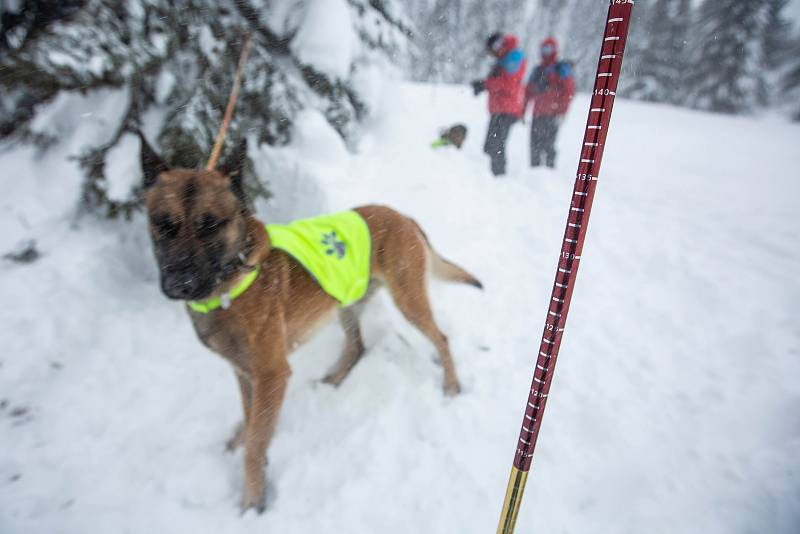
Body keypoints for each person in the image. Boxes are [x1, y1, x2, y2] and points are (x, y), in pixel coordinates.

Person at [471, 33, 526, 176]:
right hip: (501, 108)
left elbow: (509, 83)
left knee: (495, 146)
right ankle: (492, 177)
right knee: (491, 146)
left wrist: (485, 84)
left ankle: (498, 179)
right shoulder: (505, 58)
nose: (492, 55)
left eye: (492, 51)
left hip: (507, 109)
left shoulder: (513, 57)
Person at [524, 37, 575, 168]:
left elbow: (568, 91)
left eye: (548, 49)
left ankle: (549, 173)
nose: (545, 52)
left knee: (549, 145)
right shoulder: (537, 70)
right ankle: (535, 173)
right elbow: (528, 91)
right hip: (538, 113)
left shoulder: (561, 68)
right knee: (534, 145)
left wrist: (562, 112)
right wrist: (522, 111)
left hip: (553, 114)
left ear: (554, 50)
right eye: (543, 49)